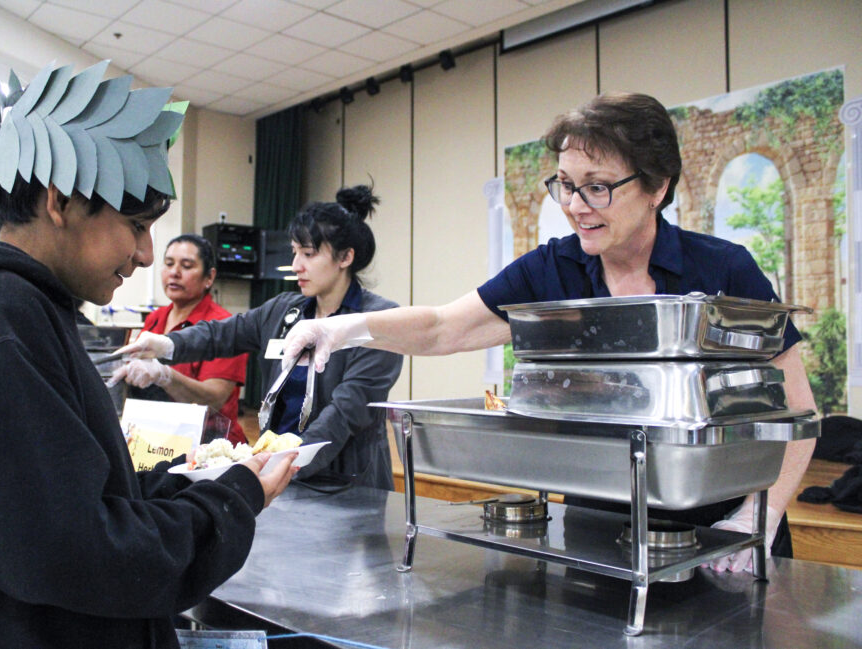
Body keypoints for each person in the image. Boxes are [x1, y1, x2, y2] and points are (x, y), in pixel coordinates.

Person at [277, 92, 818, 573]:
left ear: (658, 186)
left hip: (727, 534)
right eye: (565, 185)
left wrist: (757, 520)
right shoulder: (551, 270)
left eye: (598, 187)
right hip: (599, 525)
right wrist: (341, 328)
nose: (576, 207)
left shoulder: (724, 269)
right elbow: (444, 327)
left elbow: (798, 412)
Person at [0, 62, 296, 649]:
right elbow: (73, 553)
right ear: (61, 201)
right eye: (137, 226)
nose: (147, 255)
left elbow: (72, 495)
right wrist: (230, 503)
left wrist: (193, 482)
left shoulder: (27, 310)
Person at [113, 185, 404, 490]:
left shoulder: (377, 321)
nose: (296, 266)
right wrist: (167, 344)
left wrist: (283, 465)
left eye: (308, 254)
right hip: (279, 475)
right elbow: (221, 333)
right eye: (294, 253)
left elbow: (346, 412)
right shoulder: (283, 311)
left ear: (345, 257)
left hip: (346, 483)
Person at [128, 234, 248, 444]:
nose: (174, 273)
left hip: (210, 445)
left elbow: (213, 400)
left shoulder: (224, 326)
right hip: (160, 438)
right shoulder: (156, 318)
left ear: (209, 277)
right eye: (169, 264)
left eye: (186, 265)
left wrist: (164, 375)